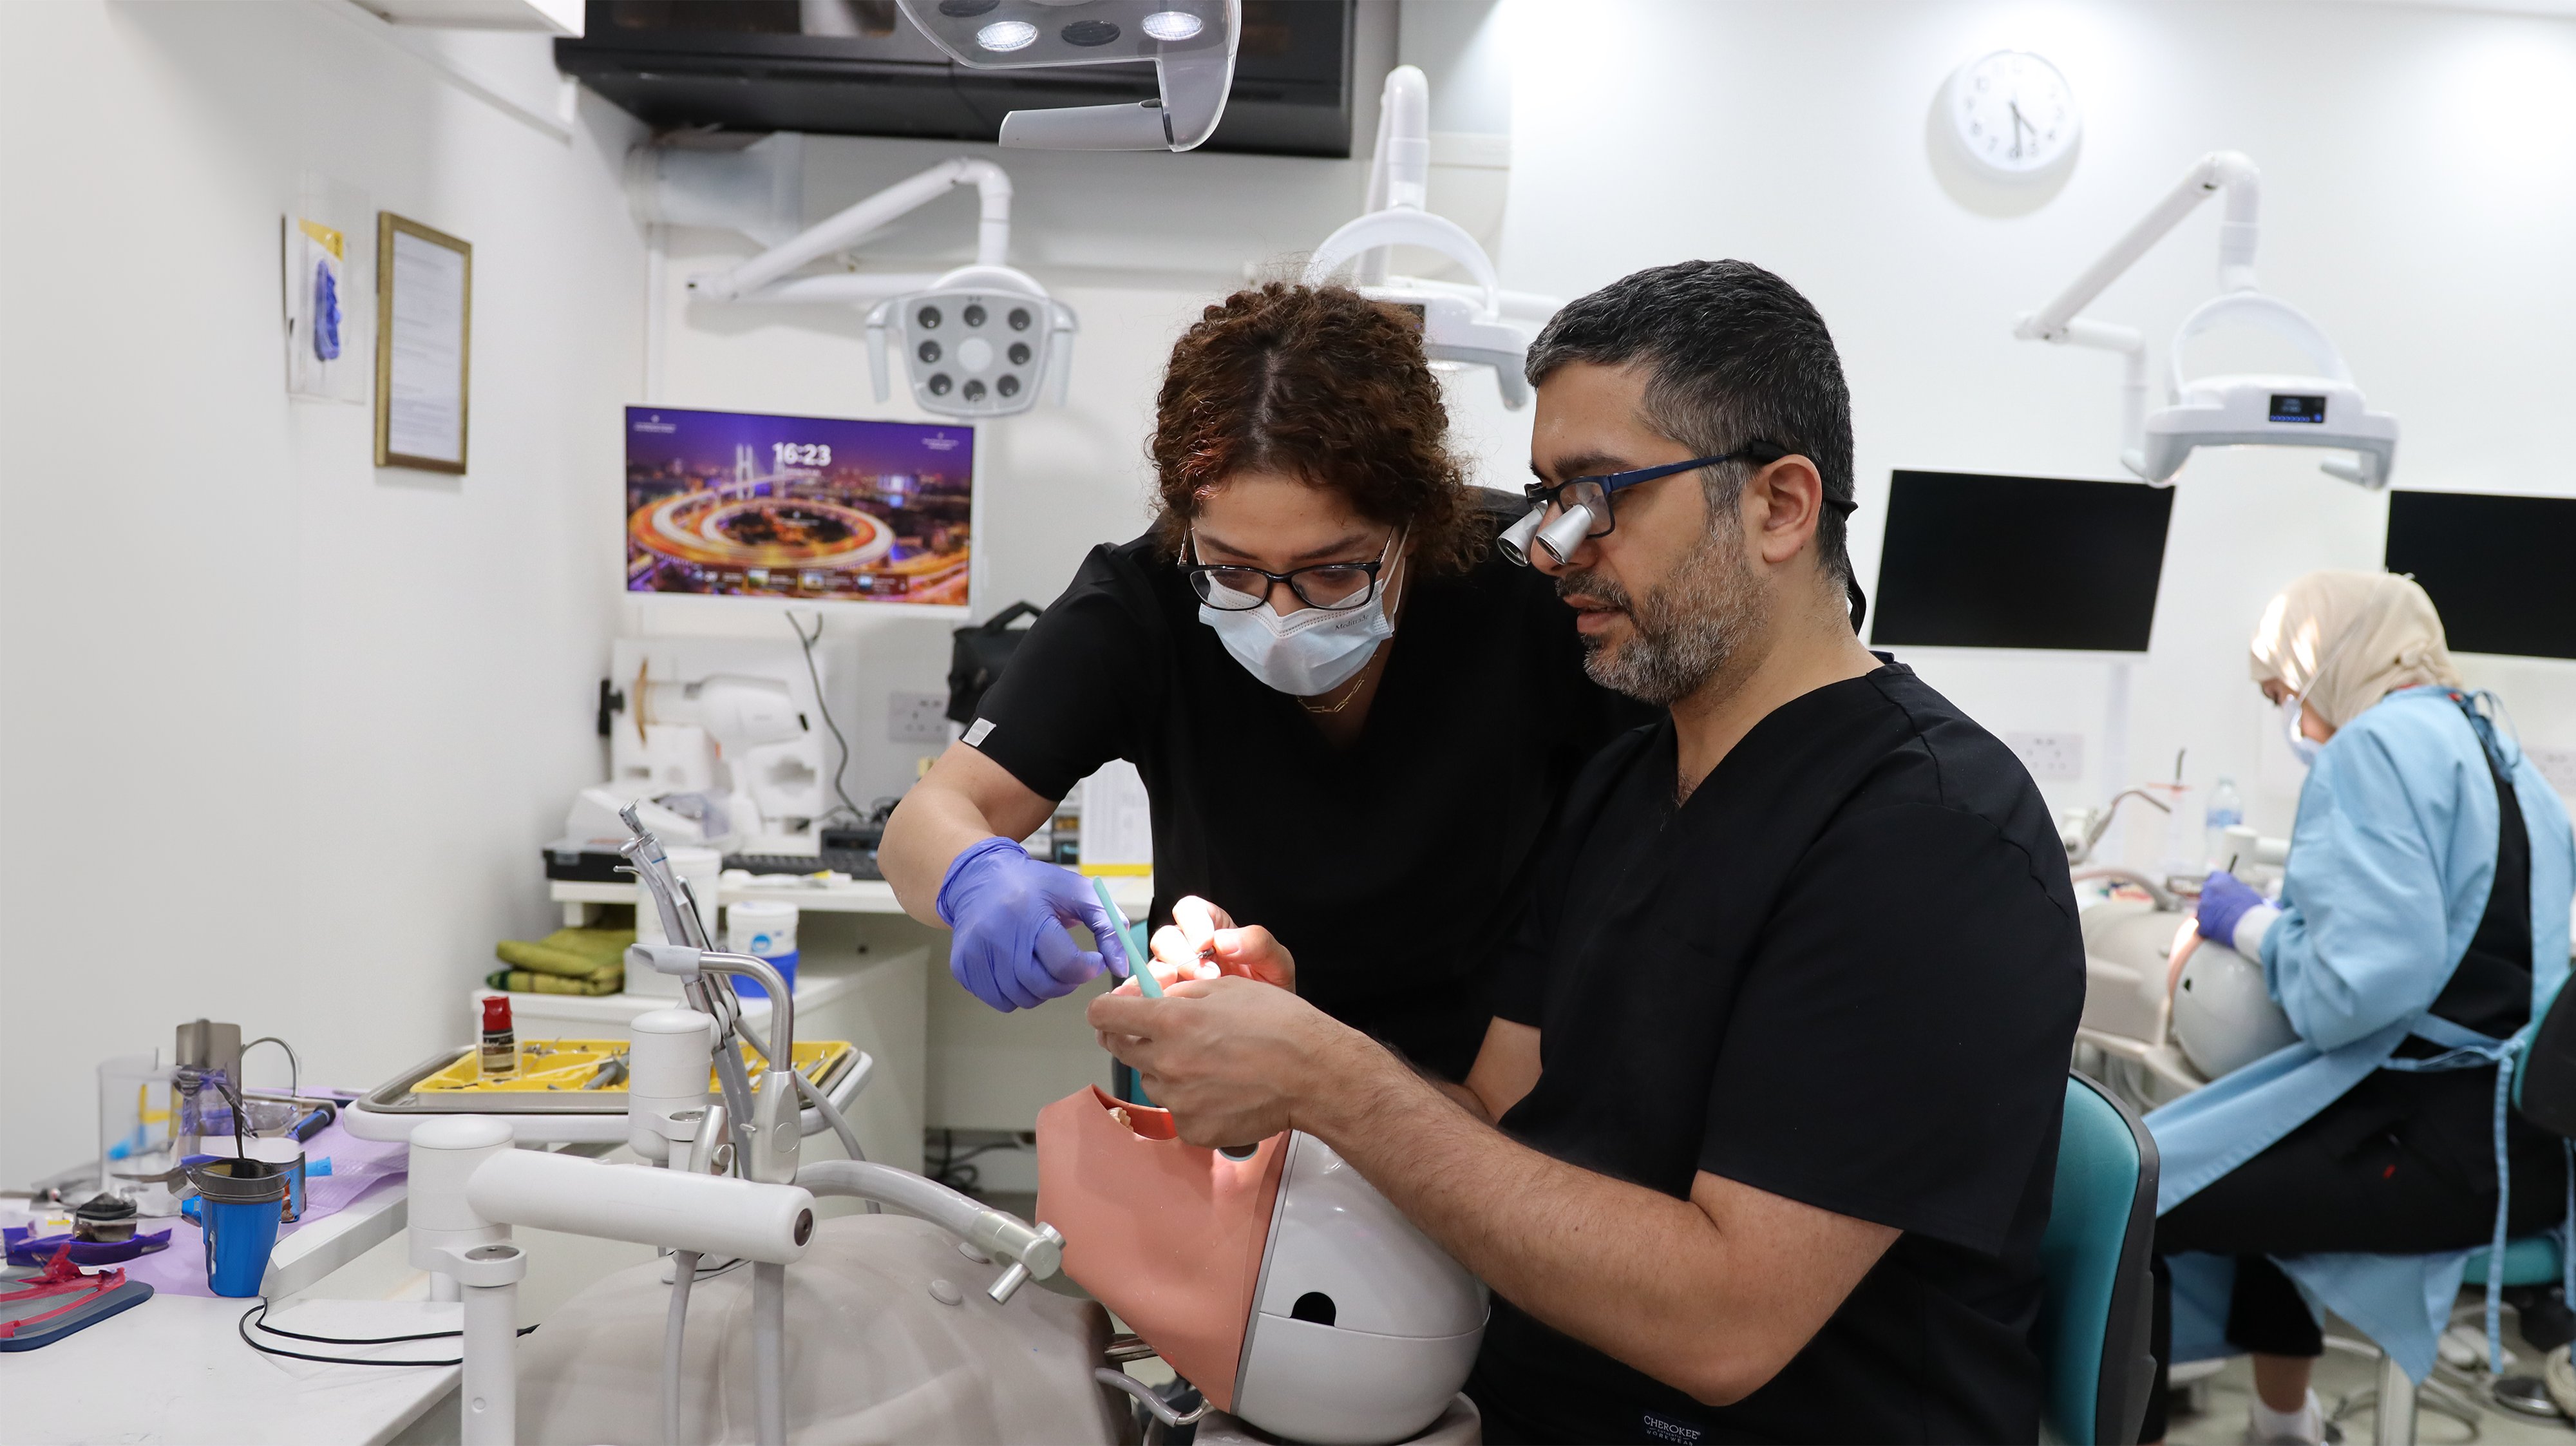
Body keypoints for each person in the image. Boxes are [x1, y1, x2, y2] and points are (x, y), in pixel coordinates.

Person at [1088, 260, 2085, 1443]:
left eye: (1601, 496)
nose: (1551, 550)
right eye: (1548, 498)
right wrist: (1293, 1035)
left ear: (1779, 506)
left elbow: (1725, 1325)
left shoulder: (1926, 841)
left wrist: (1331, 1082)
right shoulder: (1627, 784)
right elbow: (1495, 1122)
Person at [879, 283, 1649, 1080]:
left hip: (1484, 1067)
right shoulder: (1142, 601)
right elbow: (928, 819)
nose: (1279, 609)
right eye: (1233, 569)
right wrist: (973, 874)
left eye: (1332, 570)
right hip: (1220, 1055)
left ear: (1417, 525)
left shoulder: (1525, 588)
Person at [2141, 571, 2576, 1446]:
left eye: (2283, 696)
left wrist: (2251, 923)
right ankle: (2282, 1427)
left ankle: (2122, 1428)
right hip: (2525, 1151)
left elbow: (2353, 992)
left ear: (2334, 664)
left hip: (2436, 1152)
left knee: (2137, 1191)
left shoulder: (2371, 748)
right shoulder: (2497, 748)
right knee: (2252, 1161)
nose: (2294, 722)